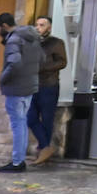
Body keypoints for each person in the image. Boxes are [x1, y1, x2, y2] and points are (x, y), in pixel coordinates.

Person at [0, 11, 41, 173]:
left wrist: (2, 78)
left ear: (5, 26)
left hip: (16, 88)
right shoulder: (32, 38)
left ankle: (17, 162)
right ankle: (18, 160)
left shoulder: (14, 40)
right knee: (22, 123)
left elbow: (14, 63)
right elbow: (42, 59)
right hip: (29, 87)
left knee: (18, 124)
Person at [27, 15, 67, 165]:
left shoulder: (56, 43)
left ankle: (43, 151)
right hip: (33, 85)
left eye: (42, 25)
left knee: (47, 118)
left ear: (49, 27)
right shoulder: (32, 43)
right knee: (30, 117)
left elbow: (62, 62)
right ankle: (45, 147)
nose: (38, 28)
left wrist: (42, 68)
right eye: (37, 25)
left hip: (49, 85)